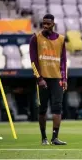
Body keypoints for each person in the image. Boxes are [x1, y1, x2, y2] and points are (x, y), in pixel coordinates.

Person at [29, 14, 67, 145]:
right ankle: (43, 137)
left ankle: (55, 137)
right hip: (42, 79)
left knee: (57, 108)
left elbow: (63, 61)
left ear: (53, 24)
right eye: (43, 23)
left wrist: (64, 78)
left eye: (48, 23)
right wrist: (39, 78)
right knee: (42, 109)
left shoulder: (61, 39)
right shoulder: (35, 38)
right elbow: (33, 61)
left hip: (57, 79)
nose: (45, 26)